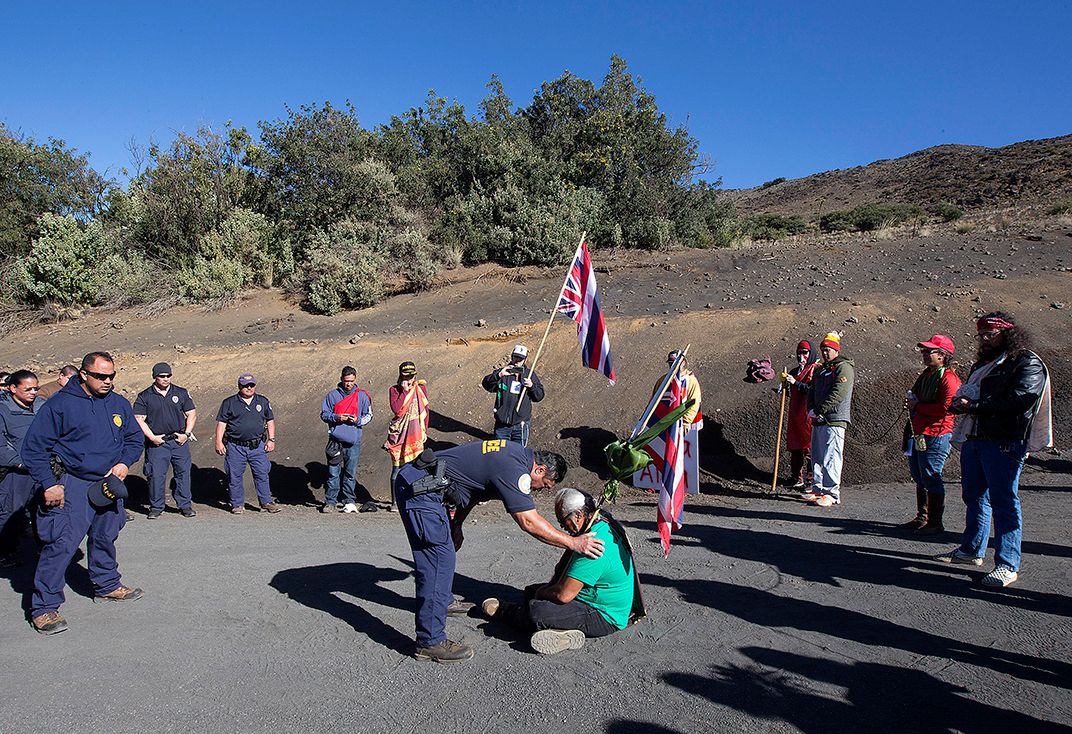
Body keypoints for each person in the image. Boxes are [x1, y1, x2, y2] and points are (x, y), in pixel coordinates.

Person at [394, 439, 603, 663]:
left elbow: (472, 490)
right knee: (438, 560)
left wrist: (457, 525)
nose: (538, 490)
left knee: (443, 554)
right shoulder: (514, 469)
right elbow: (528, 521)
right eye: (543, 484)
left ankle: (443, 603)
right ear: (539, 469)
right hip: (421, 491)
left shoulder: (512, 455)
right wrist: (574, 543)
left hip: (429, 485)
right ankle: (430, 642)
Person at [21, 352, 145, 635]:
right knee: (62, 543)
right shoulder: (60, 404)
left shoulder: (118, 403)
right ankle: (44, 607)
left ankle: (106, 584)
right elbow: (34, 448)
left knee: (105, 536)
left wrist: (125, 463)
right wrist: (49, 483)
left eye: (111, 376)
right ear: (83, 375)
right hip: (72, 483)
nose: (107, 381)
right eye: (100, 376)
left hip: (108, 483)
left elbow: (133, 438)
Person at [935, 312, 1050, 588]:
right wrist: (961, 404)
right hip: (977, 437)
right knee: (974, 495)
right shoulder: (985, 363)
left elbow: (1022, 398)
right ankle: (972, 549)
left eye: (990, 334)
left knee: (1004, 501)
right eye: (981, 335)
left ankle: (1007, 563)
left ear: (1007, 333)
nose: (985, 340)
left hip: (1004, 439)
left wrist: (973, 406)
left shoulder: (1025, 361)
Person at [481, 487, 643, 655]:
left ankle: (508, 612)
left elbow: (563, 595)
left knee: (537, 611)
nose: (562, 527)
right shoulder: (601, 521)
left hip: (604, 615)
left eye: (563, 521)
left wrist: (543, 592)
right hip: (599, 600)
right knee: (532, 592)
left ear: (579, 515)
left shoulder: (592, 546)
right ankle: (561, 631)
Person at [901, 335, 961, 534]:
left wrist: (918, 405)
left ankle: (935, 522)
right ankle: (923, 517)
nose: (924, 354)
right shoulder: (927, 375)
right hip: (920, 431)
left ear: (942, 355)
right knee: (919, 474)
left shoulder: (948, 379)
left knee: (931, 475)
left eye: (929, 351)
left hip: (937, 433)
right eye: (924, 351)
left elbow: (947, 408)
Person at [132, 362, 197, 519]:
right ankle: (156, 506)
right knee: (156, 475)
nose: (166, 379)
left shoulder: (180, 393)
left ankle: (185, 505)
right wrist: (152, 437)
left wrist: (186, 434)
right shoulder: (145, 396)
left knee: (183, 473)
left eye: (168, 376)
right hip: (158, 443)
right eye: (162, 376)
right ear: (155, 377)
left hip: (178, 440)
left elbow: (191, 414)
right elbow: (139, 419)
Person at [803, 332, 855, 508]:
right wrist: (811, 409)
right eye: (823, 350)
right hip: (818, 419)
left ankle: (831, 492)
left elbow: (839, 392)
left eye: (829, 350)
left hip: (834, 419)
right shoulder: (821, 370)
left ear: (836, 350)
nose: (825, 353)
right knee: (817, 455)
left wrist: (820, 409)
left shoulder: (843, 367)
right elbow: (812, 390)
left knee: (831, 456)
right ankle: (818, 489)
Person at [215, 374, 279, 514]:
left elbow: (270, 421)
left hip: (257, 446)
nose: (249, 388)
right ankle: (237, 504)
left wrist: (271, 439)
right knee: (234, 475)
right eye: (245, 385)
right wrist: (218, 442)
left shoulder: (262, 401)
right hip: (235, 446)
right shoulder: (229, 402)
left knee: (262, 473)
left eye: (251, 385)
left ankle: (266, 502)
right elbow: (222, 423)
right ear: (239, 386)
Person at [0, 370, 40, 568]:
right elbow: (1, 443)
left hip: (41, 468)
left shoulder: (41, 406)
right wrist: (17, 462)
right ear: (13, 388)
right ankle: (5, 551)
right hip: (16, 471)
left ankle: (44, 547)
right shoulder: (3, 409)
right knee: (11, 512)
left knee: (43, 510)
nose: (33, 393)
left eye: (35, 389)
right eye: (28, 389)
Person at [319, 366, 372, 513]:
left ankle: (349, 500)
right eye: (346, 381)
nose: (349, 384)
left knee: (350, 472)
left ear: (355, 379)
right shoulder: (332, 395)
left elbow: (368, 416)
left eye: (351, 381)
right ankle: (330, 502)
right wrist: (337, 417)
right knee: (333, 472)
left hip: (353, 441)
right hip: (335, 441)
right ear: (341, 379)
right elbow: (324, 415)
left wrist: (357, 421)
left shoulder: (362, 396)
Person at [386, 361, 429, 510]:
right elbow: (397, 410)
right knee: (397, 468)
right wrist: (404, 391)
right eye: (406, 377)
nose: (409, 380)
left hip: (415, 432)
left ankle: (415, 498)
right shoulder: (394, 390)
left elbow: (425, 410)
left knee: (417, 467)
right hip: (399, 433)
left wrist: (425, 431)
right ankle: (395, 502)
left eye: (411, 376)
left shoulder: (421, 388)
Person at [482, 344, 544, 446]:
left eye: (521, 358)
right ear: (512, 356)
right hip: (502, 425)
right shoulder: (503, 372)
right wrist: (498, 375)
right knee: (501, 455)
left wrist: (532, 386)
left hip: (521, 425)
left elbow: (539, 396)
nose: (518, 360)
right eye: (516, 357)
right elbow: (486, 384)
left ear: (525, 359)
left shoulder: (530, 374)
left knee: (518, 456)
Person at [781, 340, 818, 488]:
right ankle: (796, 478)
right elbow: (789, 392)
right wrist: (784, 385)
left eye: (804, 353)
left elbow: (812, 389)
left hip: (808, 414)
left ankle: (811, 478)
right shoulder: (794, 371)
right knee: (795, 447)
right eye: (799, 353)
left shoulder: (815, 370)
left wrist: (795, 383)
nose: (801, 356)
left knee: (808, 447)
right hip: (795, 413)